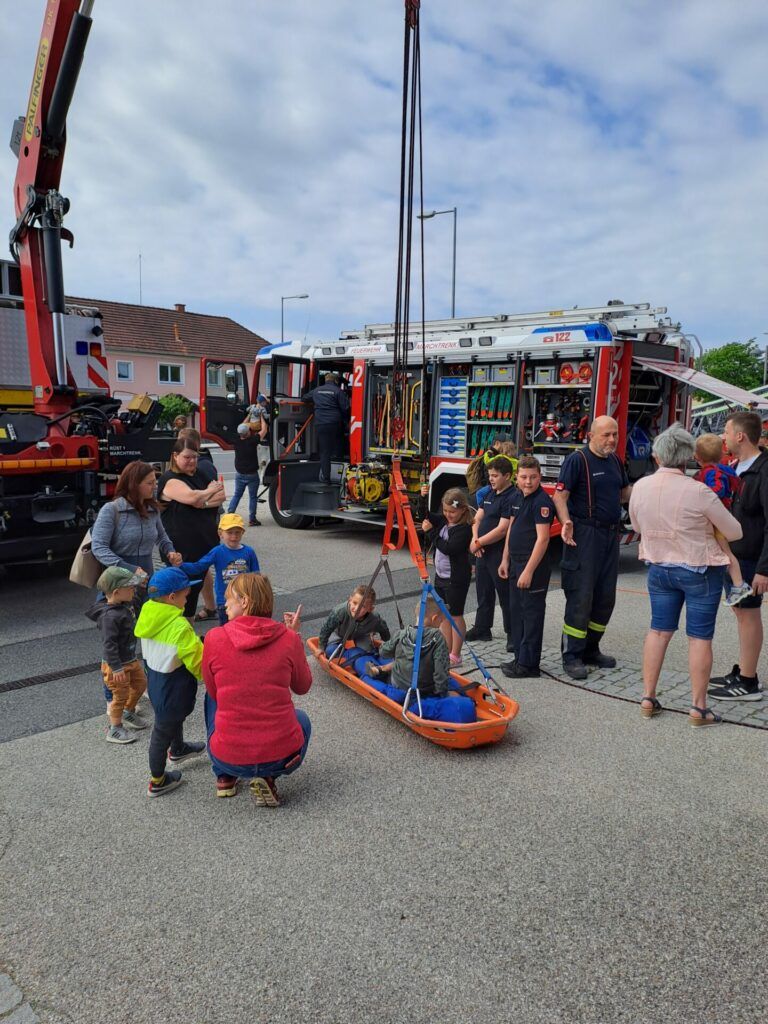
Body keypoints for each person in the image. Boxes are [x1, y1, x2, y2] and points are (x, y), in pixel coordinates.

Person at [629, 424, 742, 726]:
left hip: (659, 567)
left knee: (658, 631)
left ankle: (648, 697)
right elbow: (734, 531)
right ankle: (698, 707)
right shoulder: (699, 491)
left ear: (656, 456)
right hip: (699, 569)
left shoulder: (641, 487)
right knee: (699, 638)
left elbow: (637, 527)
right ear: (688, 457)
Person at [202, 573, 312, 806]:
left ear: (244, 601)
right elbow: (302, 687)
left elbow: (213, 692)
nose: (224, 604)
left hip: (227, 757)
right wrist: (294, 637)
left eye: (228, 598)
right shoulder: (288, 639)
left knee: (213, 697)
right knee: (302, 719)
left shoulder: (214, 637)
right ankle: (268, 775)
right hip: (282, 758)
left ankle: (224, 776)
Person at [552, 416, 631, 680]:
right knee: (581, 595)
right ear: (591, 436)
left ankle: (591, 649)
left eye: (615, 435)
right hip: (584, 535)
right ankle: (572, 655)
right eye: (606, 435)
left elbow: (625, 493)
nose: (611, 440)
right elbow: (559, 496)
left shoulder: (615, 462)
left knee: (605, 596)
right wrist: (566, 523)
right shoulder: (578, 461)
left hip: (610, 535)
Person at [709, 411, 768, 702]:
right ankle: (745, 669)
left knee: (748, 615)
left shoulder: (764, 471)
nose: (724, 437)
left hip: (750, 559)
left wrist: (764, 569)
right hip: (734, 556)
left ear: (740, 436)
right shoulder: (734, 466)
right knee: (740, 613)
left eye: (727, 432)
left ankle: (748, 681)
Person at [134, 567, 206, 797]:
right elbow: (197, 662)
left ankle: (178, 749)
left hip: (155, 679)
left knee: (172, 720)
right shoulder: (179, 626)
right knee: (161, 732)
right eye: (186, 595)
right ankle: (158, 780)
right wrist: (209, 675)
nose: (188, 598)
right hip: (174, 685)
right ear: (172, 597)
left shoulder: (148, 611)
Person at [363, 598, 477, 724]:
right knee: (448, 680)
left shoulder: (403, 633)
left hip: (399, 683)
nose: (442, 621)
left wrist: (399, 648)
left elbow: (383, 652)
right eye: (441, 619)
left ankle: (381, 670)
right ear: (434, 618)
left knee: (401, 662)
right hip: (424, 688)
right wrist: (443, 693)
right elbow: (441, 672)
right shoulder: (438, 639)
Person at [498, 455, 555, 678]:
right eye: (523, 477)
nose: (528, 482)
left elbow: (543, 539)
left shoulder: (541, 502)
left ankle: (529, 665)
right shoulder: (516, 496)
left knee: (531, 615)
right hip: (515, 562)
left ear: (540, 477)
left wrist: (528, 571)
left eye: (532, 477)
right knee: (517, 613)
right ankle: (519, 658)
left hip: (533, 566)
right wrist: (505, 559)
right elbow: (511, 529)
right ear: (516, 477)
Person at [157, 440, 226, 619]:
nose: (192, 461)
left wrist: (201, 502)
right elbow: (191, 496)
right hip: (181, 548)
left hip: (205, 544)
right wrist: (207, 492)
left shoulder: (200, 474)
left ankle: (187, 633)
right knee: (184, 590)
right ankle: (182, 633)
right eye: (187, 457)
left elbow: (221, 496)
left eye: (195, 457)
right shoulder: (170, 478)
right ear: (175, 456)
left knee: (195, 589)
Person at [90, 460, 182, 585]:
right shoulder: (111, 510)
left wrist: (170, 551)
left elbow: (161, 536)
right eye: (150, 483)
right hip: (118, 580)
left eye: (155, 482)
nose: (155, 486)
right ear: (134, 485)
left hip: (146, 578)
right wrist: (129, 568)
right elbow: (99, 547)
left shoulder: (152, 509)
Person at [86, 566, 148, 744]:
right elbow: (109, 645)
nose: (133, 590)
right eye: (130, 587)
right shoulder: (109, 617)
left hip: (130, 659)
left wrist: (141, 581)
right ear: (116, 591)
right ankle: (114, 729)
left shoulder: (125, 603)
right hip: (116, 665)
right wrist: (116, 668)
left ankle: (128, 712)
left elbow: (137, 597)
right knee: (118, 696)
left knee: (140, 684)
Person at [693, 433, 752, 605]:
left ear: (697, 457)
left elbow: (717, 489)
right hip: (725, 514)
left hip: (717, 517)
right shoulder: (727, 469)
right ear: (721, 454)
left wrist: (703, 494)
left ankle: (739, 585)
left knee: (726, 553)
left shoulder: (711, 472)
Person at [465, 456, 515, 646]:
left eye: (495, 476)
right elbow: (477, 518)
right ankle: (482, 628)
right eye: (490, 475)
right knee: (483, 591)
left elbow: (503, 529)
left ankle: (512, 634)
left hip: (498, 553)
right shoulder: (490, 493)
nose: (491, 479)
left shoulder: (511, 497)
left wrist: (478, 543)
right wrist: (475, 539)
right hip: (483, 551)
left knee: (505, 595)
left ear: (507, 476)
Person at [421, 487, 473, 665]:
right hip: (440, 576)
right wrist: (424, 497)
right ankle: (446, 650)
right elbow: (426, 515)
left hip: (456, 580)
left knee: (455, 615)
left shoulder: (464, 529)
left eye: (452, 511)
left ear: (462, 510)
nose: (448, 514)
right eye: (445, 510)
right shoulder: (444, 520)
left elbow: (449, 548)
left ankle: (456, 655)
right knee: (443, 614)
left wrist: (431, 532)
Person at [179, 513, 260, 626]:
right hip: (225, 601)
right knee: (226, 631)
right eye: (229, 532)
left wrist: (256, 597)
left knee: (244, 630)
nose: (234, 536)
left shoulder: (249, 552)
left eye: (237, 532)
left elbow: (256, 577)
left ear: (243, 533)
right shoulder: (217, 552)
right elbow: (199, 567)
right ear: (220, 534)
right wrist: (180, 565)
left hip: (245, 601)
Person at [318, 585, 390, 666]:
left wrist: (387, 642)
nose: (356, 609)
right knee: (330, 650)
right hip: (339, 633)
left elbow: (383, 628)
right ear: (350, 600)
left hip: (361, 635)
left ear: (370, 609)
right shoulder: (339, 612)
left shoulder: (374, 618)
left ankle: (371, 660)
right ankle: (351, 655)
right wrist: (321, 646)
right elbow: (326, 629)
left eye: (362, 606)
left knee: (367, 652)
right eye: (354, 603)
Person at [304, 371, 350, 483]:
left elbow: (304, 398)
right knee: (339, 442)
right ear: (335, 381)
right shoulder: (338, 391)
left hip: (321, 423)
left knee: (324, 452)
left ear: (325, 380)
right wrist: (345, 421)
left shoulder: (317, 390)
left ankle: (326, 478)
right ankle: (340, 466)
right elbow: (346, 408)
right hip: (335, 423)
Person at [228, 423, 262, 526]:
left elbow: (242, 425)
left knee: (237, 495)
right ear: (248, 432)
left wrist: (249, 415)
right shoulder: (253, 441)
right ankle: (252, 519)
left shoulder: (236, 441)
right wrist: (260, 415)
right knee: (253, 497)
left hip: (240, 474)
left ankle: (229, 515)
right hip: (252, 475)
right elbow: (264, 429)